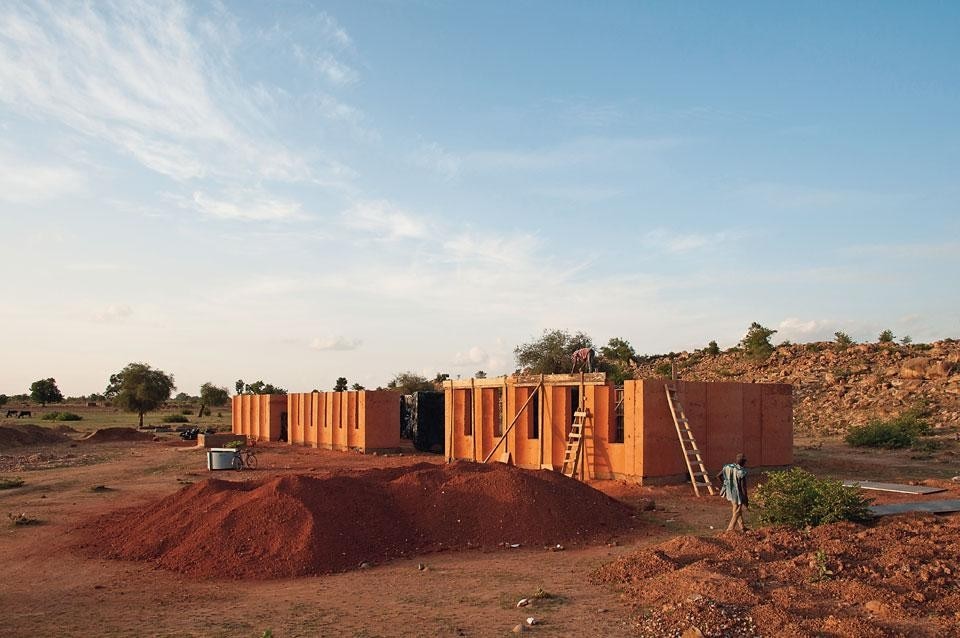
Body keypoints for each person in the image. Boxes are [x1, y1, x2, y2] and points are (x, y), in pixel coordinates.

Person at [717, 453, 749, 531]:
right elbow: (743, 487)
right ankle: (730, 529)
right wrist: (745, 498)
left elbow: (718, 476)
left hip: (729, 491)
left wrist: (726, 483)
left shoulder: (727, 467)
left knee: (736, 508)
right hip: (737, 493)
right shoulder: (741, 472)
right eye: (744, 462)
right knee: (737, 510)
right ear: (743, 462)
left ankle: (742, 527)